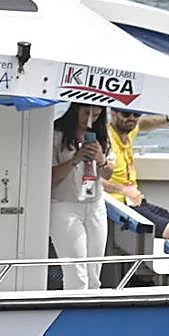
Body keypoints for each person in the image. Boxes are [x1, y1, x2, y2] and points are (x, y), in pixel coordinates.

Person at [104, 109, 169, 245]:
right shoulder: (106, 139)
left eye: (136, 114)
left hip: (138, 201)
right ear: (113, 113)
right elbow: (91, 179)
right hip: (119, 205)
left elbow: (144, 123)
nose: (132, 118)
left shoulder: (129, 131)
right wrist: (123, 190)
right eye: (126, 114)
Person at [50, 102, 111, 290]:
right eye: (86, 113)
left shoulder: (102, 136)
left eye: (96, 115)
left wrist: (101, 159)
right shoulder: (56, 134)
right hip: (65, 205)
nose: (90, 119)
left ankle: (91, 316)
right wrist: (75, 159)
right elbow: (50, 178)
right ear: (75, 110)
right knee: (76, 273)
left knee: (94, 274)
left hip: (95, 204)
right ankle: (73, 313)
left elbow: (108, 174)